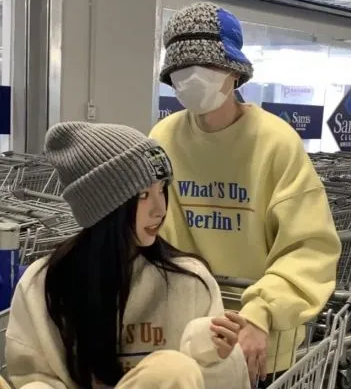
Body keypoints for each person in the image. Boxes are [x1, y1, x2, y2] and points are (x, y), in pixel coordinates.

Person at [150, 2, 342, 387]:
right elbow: (152, 232)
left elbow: (310, 247)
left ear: (235, 73)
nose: (192, 78)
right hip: (186, 331)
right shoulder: (163, 139)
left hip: (261, 341)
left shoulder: (275, 143)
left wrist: (262, 311)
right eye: (182, 69)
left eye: (206, 67)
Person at [5, 122, 251, 389]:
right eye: (143, 194)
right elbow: (34, 377)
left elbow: (224, 382)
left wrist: (208, 354)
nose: (160, 209)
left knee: (172, 370)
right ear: (102, 206)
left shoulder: (189, 280)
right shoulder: (44, 284)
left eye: (162, 189)